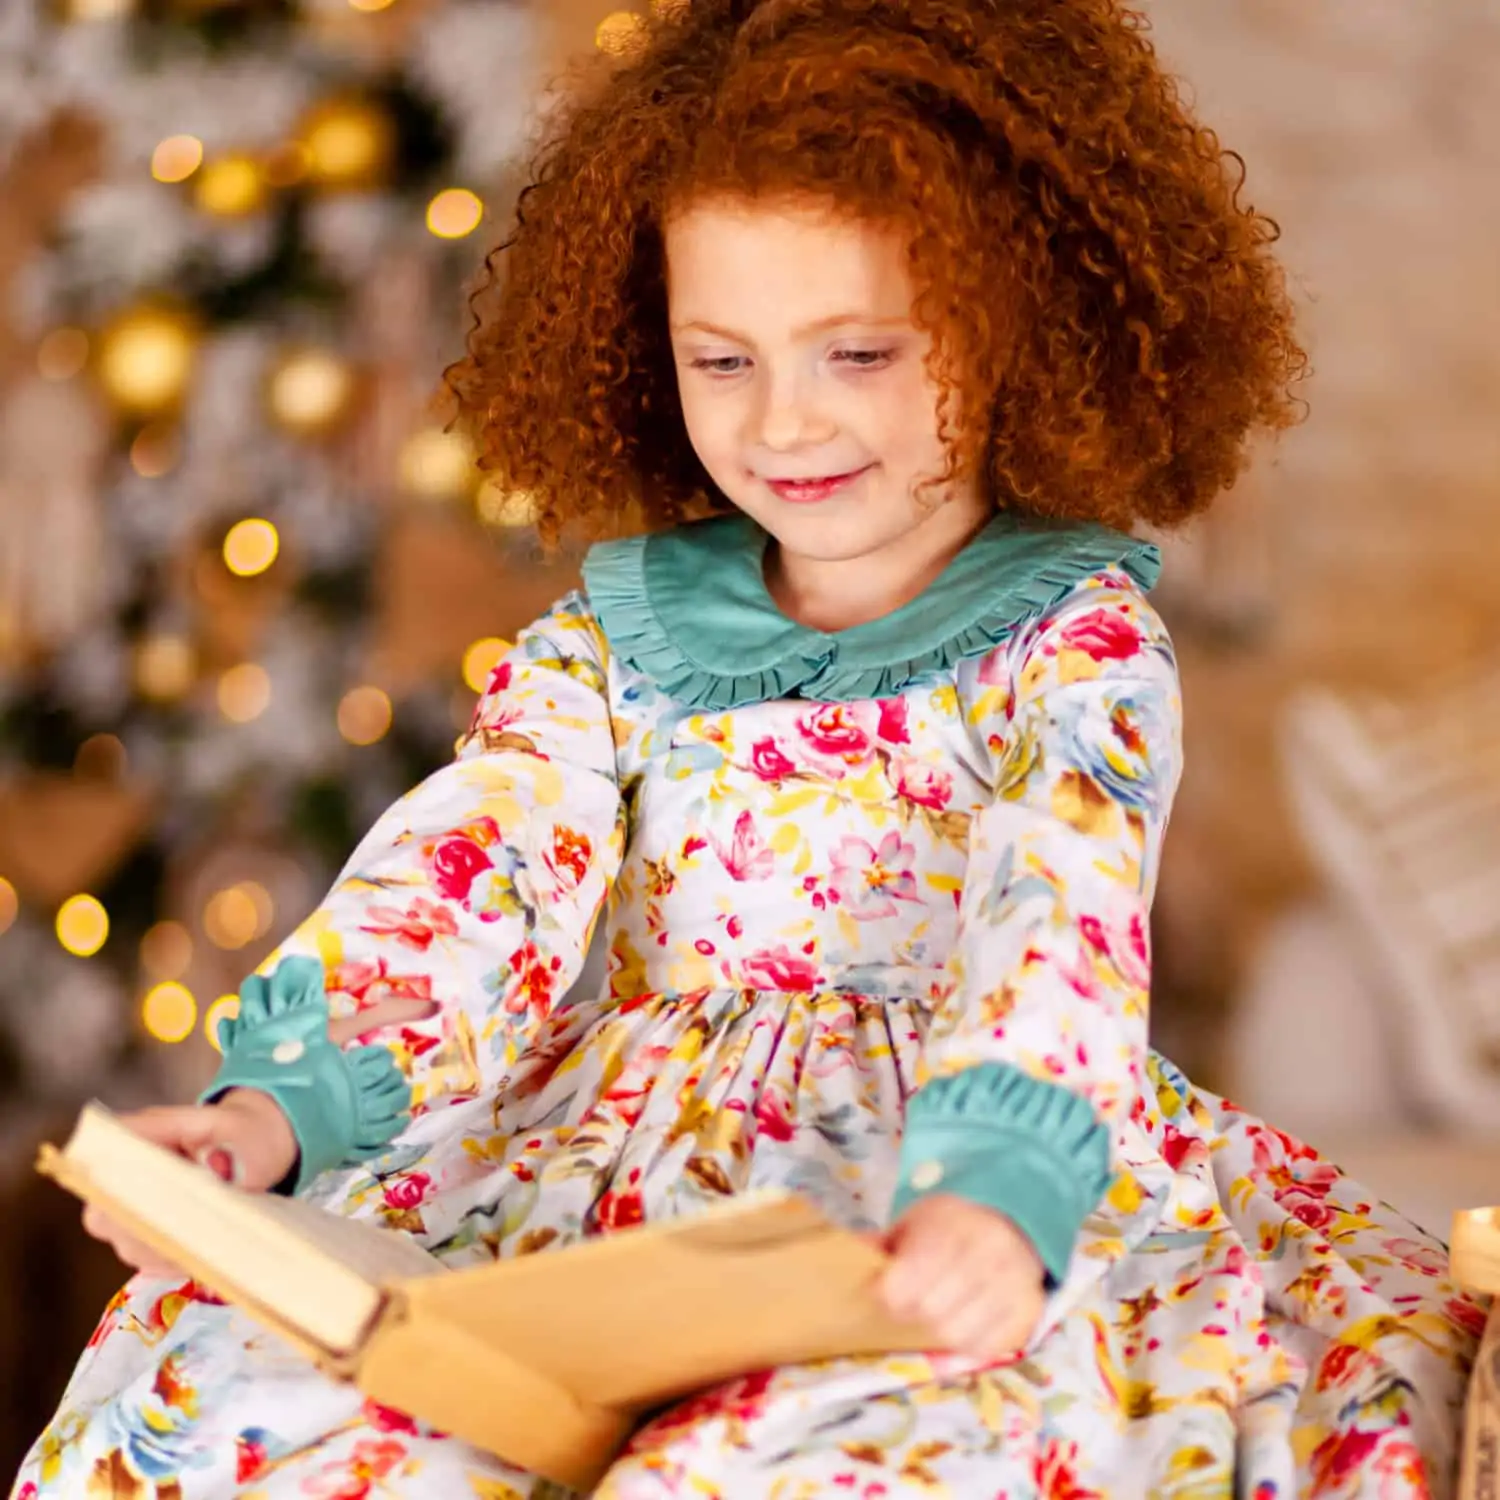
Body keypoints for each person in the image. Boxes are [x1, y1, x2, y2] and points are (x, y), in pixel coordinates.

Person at [13, 2, 1482, 1496]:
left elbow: (1061, 915)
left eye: (857, 351)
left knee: (875, 1439)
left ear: (1019, 323)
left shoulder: (1073, 641)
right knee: (246, 1394)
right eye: (722, 360)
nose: (786, 421)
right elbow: (480, 873)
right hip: (617, 1175)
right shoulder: (619, 638)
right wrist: (274, 1112)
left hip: (942, 1172)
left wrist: (1001, 1194)